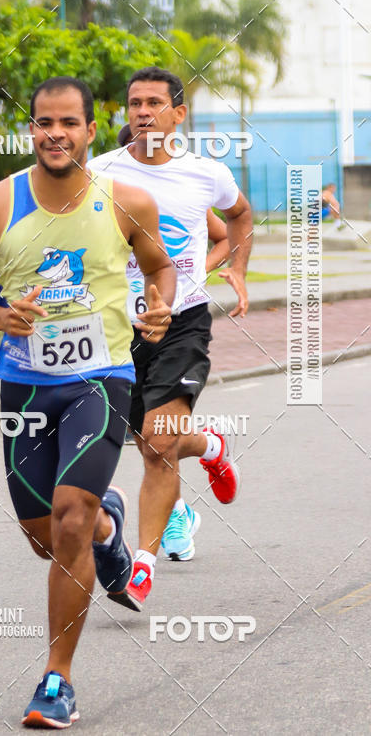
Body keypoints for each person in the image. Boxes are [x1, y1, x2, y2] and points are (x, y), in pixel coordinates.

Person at [0, 76, 175, 729]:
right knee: (46, 539)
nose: (55, 133)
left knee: (67, 518)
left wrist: (157, 302)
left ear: (90, 131)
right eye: (44, 122)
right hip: (24, 385)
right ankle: (107, 527)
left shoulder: (128, 201)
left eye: (68, 122)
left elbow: (160, 267)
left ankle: (57, 681)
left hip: (100, 379)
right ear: (31, 130)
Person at [89, 66, 253, 607]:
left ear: (178, 114)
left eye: (154, 103)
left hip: (182, 321)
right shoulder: (99, 171)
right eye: (133, 103)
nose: (141, 112)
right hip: (118, 326)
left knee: (158, 443)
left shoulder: (205, 173)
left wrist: (237, 268)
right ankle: (210, 445)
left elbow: (240, 215)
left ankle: (143, 561)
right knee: (146, 440)